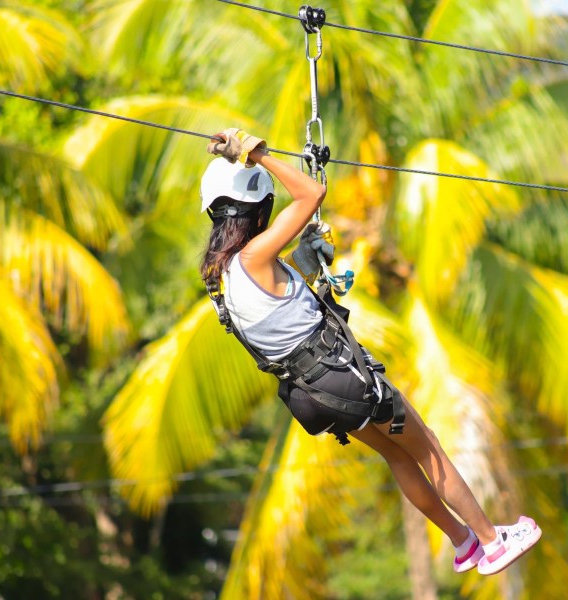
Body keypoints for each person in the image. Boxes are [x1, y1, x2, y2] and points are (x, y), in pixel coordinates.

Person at [199, 128, 541, 575]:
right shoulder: (256, 257)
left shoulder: (221, 277)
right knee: (428, 449)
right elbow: (311, 192)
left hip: (313, 394)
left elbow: (278, 307)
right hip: (342, 375)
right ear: (257, 210)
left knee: (398, 455)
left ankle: (464, 544)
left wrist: (305, 259)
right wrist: (257, 154)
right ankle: (494, 543)